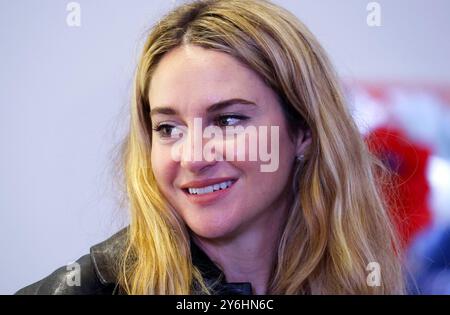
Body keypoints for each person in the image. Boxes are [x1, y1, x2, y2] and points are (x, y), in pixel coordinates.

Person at [16, 0, 405, 295]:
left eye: (228, 120)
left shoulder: (358, 278)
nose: (194, 156)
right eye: (168, 128)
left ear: (302, 131)